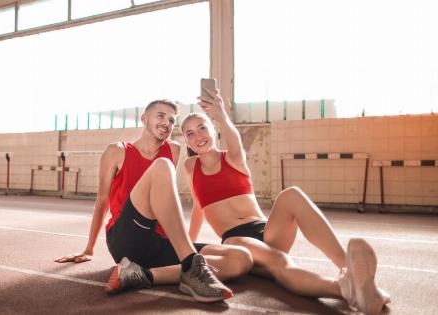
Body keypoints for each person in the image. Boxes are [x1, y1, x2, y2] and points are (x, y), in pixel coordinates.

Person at [180, 88, 391, 314]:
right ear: (187, 142)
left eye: (202, 127)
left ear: (214, 130)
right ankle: (345, 289)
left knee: (291, 194)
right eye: (190, 133)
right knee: (280, 260)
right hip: (236, 240)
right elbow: (198, 208)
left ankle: (348, 270)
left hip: (266, 230)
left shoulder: (233, 158)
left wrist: (221, 113)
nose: (198, 135)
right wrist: (186, 250)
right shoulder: (190, 167)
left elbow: (235, 141)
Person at [55, 99, 253, 302]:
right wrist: (89, 248)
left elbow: (163, 198)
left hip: (157, 243)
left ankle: (142, 276)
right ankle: (191, 264)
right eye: (161, 116)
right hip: (126, 239)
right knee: (162, 166)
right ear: (144, 118)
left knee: (241, 258)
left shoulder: (174, 150)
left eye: (171, 120)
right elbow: (102, 200)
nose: (166, 123)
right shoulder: (117, 151)